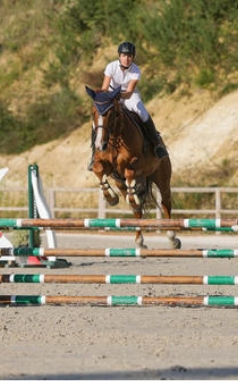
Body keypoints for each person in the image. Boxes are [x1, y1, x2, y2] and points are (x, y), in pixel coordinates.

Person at [88, 41, 168, 170]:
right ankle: (94, 154)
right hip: (111, 95)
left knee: (142, 112)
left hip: (128, 96)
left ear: (133, 57)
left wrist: (119, 96)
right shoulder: (111, 67)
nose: (127, 59)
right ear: (119, 56)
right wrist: (108, 98)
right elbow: (104, 88)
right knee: (97, 121)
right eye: (124, 55)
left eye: (130, 56)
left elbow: (129, 91)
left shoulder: (136, 70)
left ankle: (156, 144)